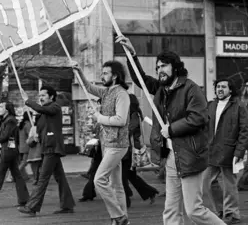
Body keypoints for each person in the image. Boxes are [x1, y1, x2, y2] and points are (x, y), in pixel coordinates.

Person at [118, 36, 224, 225]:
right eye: (157, 67)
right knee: (171, 210)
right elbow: (140, 78)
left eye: (164, 66)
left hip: (189, 155)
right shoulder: (161, 88)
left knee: (194, 210)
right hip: (170, 157)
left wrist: (172, 129)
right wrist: (131, 55)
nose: (160, 70)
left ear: (175, 67)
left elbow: (199, 117)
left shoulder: (191, 89)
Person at [72, 60, 131, 225]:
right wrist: (79, 72)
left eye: (105, 73)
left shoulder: (121, 94)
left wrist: (100, 118)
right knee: (116, 185)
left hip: (117, 144)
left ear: (115, 76)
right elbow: (89, 88)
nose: (102, 75)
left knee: (99, 180)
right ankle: (121, 219)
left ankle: (118, 216)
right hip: (108, 144)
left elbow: (121, 119)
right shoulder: (106, 92)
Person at [18, 86, 75, 216]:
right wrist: (37, 134)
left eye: (43, 95)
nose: (41, 98)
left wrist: (28, 100)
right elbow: (42, 125)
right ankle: (67, 205)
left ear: (51, 97)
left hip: (52, 148)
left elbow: (41, 108)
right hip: (47, 147)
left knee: (42, 178)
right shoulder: (44, 113)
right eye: (40, 96)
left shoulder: (54, 107)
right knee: (60, 178)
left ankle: (32, 207)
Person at [202, 78, 248, 224]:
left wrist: (239, 152)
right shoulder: (211, 105)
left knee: (229, 184)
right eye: (217, 87)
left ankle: (232, 214)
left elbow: (244, 130)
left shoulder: (238, 106)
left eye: (223, 87)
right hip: (211, 150)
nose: (220, 89)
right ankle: (220, 210)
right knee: (208, 182)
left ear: (230, 90)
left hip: (230, 150)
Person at [122, 94, 159, 208]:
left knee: (123, 176)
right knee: (131, 176)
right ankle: (150, 192)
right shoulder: (132, 114)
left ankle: (125, 201)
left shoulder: (133, 114)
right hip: (128, 149)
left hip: (129, 150)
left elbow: (130, 129)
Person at [26, 116, 42, 186]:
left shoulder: (33, 128)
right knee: (38, 165)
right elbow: (30, 138)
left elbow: (29, 137)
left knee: (35, 165)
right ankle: (37, 178)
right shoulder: (35, 128)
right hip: (37, 148)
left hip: (34, 149)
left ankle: (36, 178)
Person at [18, 111, 31, 181]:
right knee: (24, 162)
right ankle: (14, 174)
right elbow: (30, 135)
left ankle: (25, 176)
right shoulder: (28, 124)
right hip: (26, 146)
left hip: (21, 146)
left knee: (22, 162)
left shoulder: (21, 124)